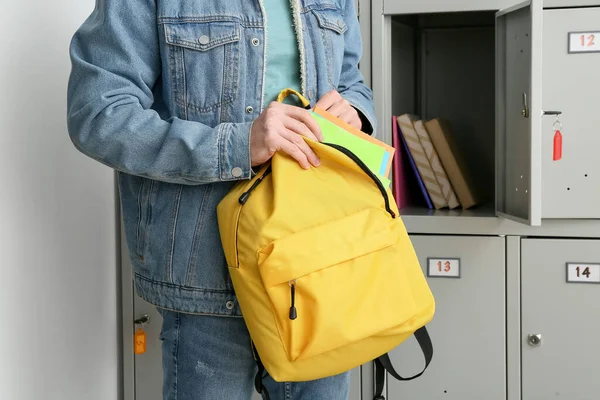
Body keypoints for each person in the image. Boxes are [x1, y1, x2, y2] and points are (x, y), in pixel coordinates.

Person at [67, 0, 375, 398]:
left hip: (319, 264)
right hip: (206, 274)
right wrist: (236, 145)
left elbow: (352, 82)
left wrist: (355, 113)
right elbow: (97, 113)